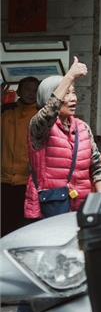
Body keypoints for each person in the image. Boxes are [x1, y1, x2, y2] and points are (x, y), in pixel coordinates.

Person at [16, 60, 101, 312]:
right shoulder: (38, 128)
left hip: (80, 207)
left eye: (74, 91)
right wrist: (68, 76)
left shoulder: (82, 128)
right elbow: (48, 113)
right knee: (43, 273)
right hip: (48, 210)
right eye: (65, 92)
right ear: (49, 98)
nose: (73, 96)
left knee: (80, 272)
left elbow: (96, 165)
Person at [1, 77, 39, 236]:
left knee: (23, 228)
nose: (31, 93)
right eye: (27, 89)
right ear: (18, 92)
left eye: (35, 90)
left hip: (27, 181)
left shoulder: (40, 114)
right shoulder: (6, 112)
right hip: (3, 180)